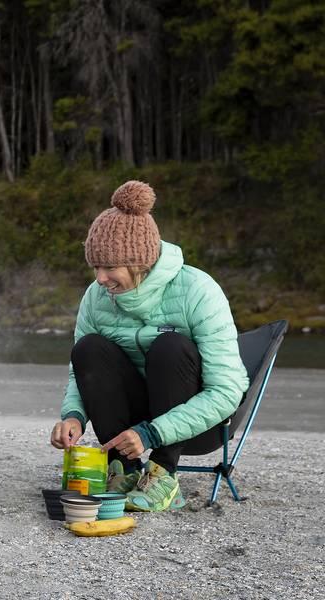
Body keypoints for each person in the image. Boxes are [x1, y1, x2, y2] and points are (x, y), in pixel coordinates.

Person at [49, 181, 249, 512]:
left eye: (109, 267)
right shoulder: (96, 297)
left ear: (140, 261)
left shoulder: (198, 290)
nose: (100, 278)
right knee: (88, 348)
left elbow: (228, 392)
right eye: (95, 267)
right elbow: (79, 372)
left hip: (197, 423)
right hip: (133, 420)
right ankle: (123, 470)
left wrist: (153, 433)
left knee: (169, 347)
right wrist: (73, 416)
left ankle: (162, 473)